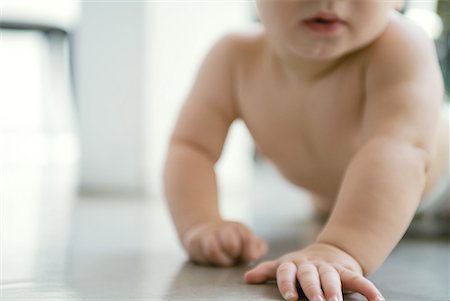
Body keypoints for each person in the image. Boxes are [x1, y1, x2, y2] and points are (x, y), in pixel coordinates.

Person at [163, 1, 449, 300]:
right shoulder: (233, 59)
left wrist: (339, 248)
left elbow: (398, 150)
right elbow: (192, 147)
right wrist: (201, 222)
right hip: (346, 201)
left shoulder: (399, 46)